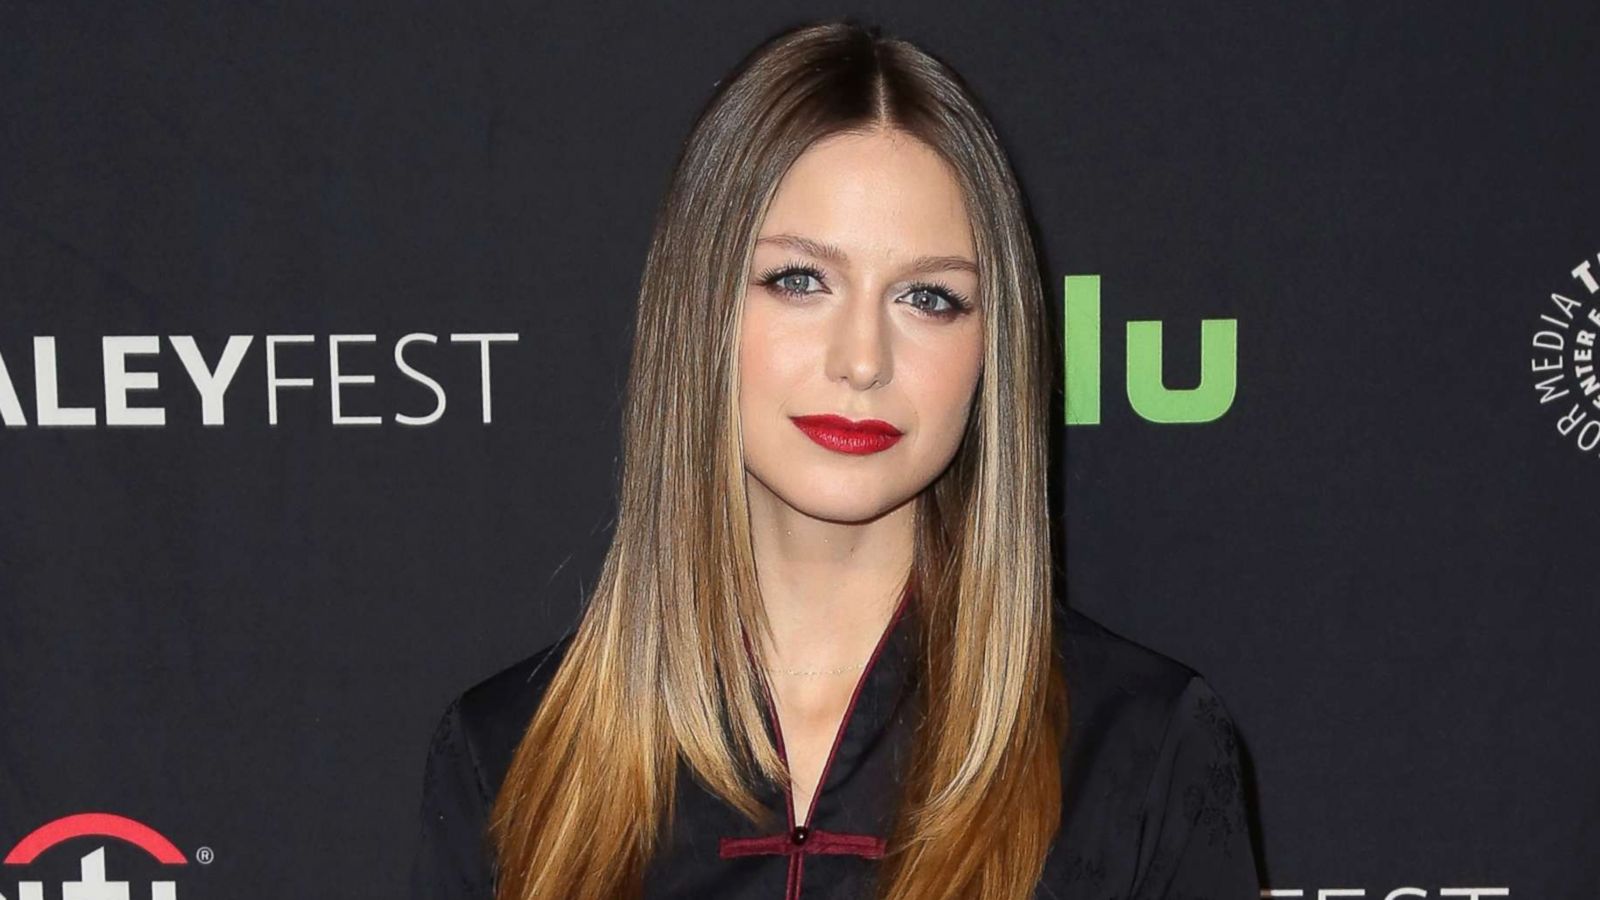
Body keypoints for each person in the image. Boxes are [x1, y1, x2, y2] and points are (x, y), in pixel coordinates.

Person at [408, 18, 1260, 900]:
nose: (863, 359)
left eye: (929, 297)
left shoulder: (1143, 749)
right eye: (800, 281)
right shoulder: (507, 756)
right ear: (699, 310)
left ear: (992, 348)